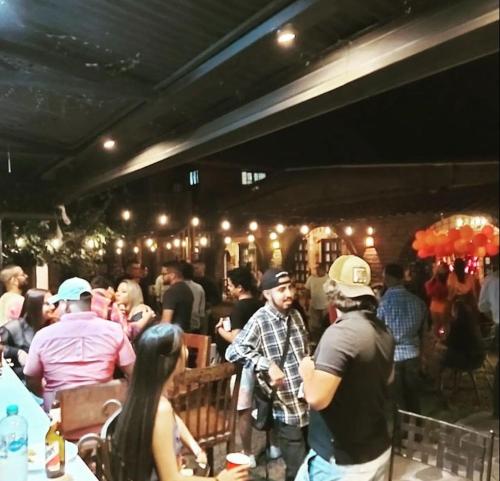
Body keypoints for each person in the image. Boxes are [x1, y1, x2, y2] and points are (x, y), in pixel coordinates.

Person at [295, 255, 395, 481]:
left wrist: (307, 369)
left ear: (332, 292)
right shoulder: (382, 330)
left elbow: (316, 398)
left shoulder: (341, 334)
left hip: (342, 461)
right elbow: (385, 381)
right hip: (375, 448)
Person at [111, 323, 249, 481]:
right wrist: (219, 480)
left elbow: (174, 420)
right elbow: (171, 479)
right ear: (171, 360)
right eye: (182, 347)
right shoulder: (160, 409)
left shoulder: (144, 395)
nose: (186, 351)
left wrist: (195, 448)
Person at [226, 268, 309, 481]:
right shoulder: (260, 320)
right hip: (286, 408)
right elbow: (233, 350)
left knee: (310, 464)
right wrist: (266, 364)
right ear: (266, 294)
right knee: (297, 469)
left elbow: (303, 352)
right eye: (281, 289)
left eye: (290, 287)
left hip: (307, 403)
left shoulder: (296, 315)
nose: (289, 293)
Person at [23, 277, 136, 410]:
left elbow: (31, 380)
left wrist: (49, 395)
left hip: (58, 417)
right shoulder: (114, 330)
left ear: (65, 304)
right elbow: (134, 372)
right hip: (103, 413)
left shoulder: (43, 336)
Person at [215, 267, 262, 467]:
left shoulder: (239, 308)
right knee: (265, 404)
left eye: (231, 285)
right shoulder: (261, 304)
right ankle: (274, 446)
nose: (229, 288)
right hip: (262, 360)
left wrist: (219, 330)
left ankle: (248, 452)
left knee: (243, 408)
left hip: (244, 364)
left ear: (240, 287)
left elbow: (237, 339)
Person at [378, 263, 427, 414]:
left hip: (393, 355)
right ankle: (416, 431)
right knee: (413, 397)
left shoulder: (384, 303)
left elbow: (379, 329)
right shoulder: (418, 302)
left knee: (397, 400)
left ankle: (400, 434)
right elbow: (423, 331)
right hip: (413, 352)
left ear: (389, 278)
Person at [0, 288, 56, 379]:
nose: (53, 306)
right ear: (35, 306)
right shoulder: (12, 328)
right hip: (20, 384)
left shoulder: (54, 327)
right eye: (47, 303)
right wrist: (16, 352)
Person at [478, 255, 499, 418]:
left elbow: (482, 306)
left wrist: (494, 317)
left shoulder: (490, 280)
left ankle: (498, 409)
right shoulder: (490, 280)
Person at [161, 261, 194, 332]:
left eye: (164, 274)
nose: (162, 277)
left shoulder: (171, 292)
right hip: (184, 333)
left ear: (172, 275)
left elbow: (165, 323)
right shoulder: (187, 289)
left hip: (172, 336)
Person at [304, 263, 329, 346]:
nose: (317, 271)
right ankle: (315, 341)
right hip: (314, 305)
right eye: (316, 270)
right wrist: (306, 302)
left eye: (319, 270)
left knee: (325, 325)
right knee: (314, 325)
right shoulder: (311, 279)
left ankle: (324, 341)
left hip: (326, 306)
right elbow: (307, 292)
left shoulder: (329, 279)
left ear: (324, 270)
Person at [425, 262, 450, 336]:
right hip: (443, 304)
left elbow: (427, 286)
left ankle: (439, 340)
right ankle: (443, 339)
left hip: (435, 304)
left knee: (437, 325)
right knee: (444, 324)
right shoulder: (445, 281)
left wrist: (435, 275)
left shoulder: (435, 282)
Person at [181, 261, 206, 334]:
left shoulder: (176, 287)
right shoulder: (199, 287)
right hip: (195, 325)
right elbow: (201, 311)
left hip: (180, 326)